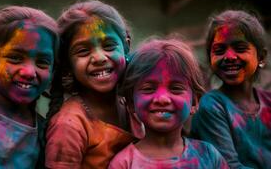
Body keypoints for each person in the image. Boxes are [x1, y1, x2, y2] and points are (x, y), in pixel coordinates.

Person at [109, 37, 229, 168]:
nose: (162, 99)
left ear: (194, 102)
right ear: (131, 103)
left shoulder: (208, 156)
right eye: (148, 89)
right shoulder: (124, 163)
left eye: (176, 88)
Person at [45, 0, 138, 169]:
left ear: (126, 46)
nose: (99, 57)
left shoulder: (133, 105)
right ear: (67, 63)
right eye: (83, 51)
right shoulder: (69, 124)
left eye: (109, 46)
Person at [0, 5, 59, 168]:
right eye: (15, 58)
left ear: (53, 72)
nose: (29, 72)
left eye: (42, 62)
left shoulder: (45, 134)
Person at [191, 10, 271, 168]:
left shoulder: (268, 101)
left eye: (240, 48)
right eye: (219, 50)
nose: (229, 56)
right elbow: (229, 166)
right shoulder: (212, 106)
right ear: (210, 59)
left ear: (261, 57)